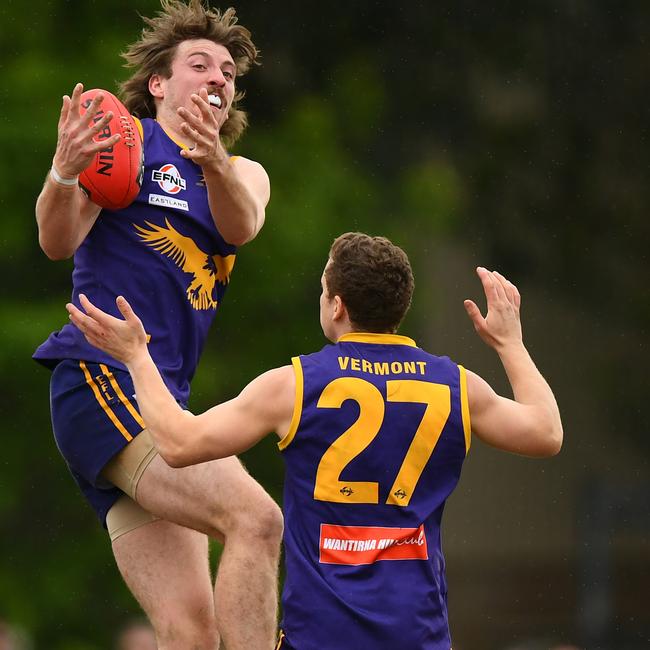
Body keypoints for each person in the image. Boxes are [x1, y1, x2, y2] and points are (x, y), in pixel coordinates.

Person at [67, 232, 564, 650]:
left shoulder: (297, 384)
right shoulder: (455, 384)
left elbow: (176, 443)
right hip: (419, 632)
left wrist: (136, 357)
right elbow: (546, 432)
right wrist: (510, 343)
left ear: (338, 306)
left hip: (321, 634)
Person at [33, 2, 282, 649]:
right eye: (198, 65)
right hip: (99, 377)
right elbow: (56, 241)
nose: (216, 78)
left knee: (191, 634)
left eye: (227, 71)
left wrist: (213, 160)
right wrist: (63, 171)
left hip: (158, 397)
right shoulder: (126, 147)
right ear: (159, 84)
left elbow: (240, 227)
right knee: (256, 519)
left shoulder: (243, 174)